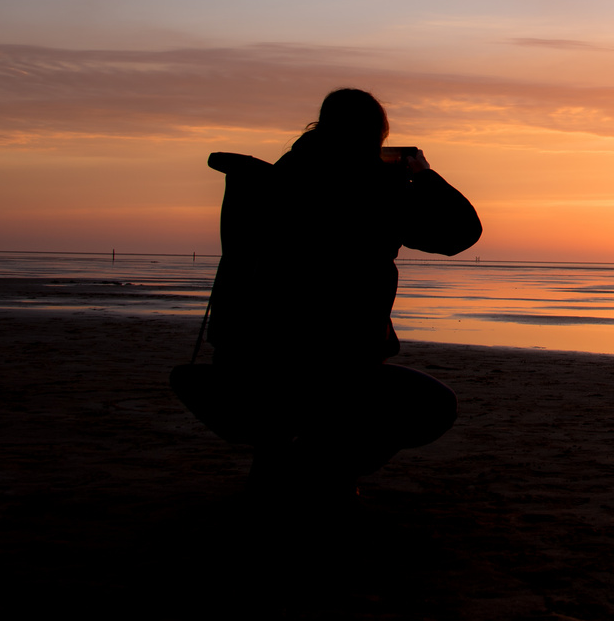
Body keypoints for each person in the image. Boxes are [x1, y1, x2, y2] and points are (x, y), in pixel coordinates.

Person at [171, 88, 481, 501]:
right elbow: (461, 232)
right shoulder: (376, 192)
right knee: (434, 406)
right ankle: (325, 470)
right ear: (377, 137)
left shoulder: (274, 179)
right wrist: (423, 176)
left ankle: (277, 460)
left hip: (245, 362)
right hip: (336, 369)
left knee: (294, 398)